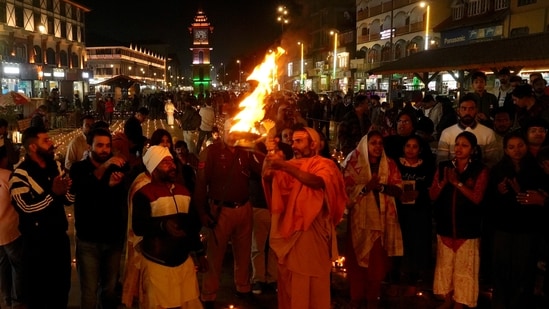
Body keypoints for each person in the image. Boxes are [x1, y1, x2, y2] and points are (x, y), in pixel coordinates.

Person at [262, 126, 347, 309]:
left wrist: (283, 165)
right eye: (292, 141)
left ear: (313, 144)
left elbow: (317, 182)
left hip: (313, 236)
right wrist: (271, 154)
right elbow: (269, 178)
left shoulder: (325, 165)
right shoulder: (290, 165)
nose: (294, 145)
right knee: (292, 288)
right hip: (292, 237)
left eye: (299, 141)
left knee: (316, 287)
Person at [194, 119, 264, 309]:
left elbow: (263, 169)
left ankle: (243, 287)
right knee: (215, 255)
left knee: (243, 252)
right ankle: (208, 294)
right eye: (230, 131)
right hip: (220, 210)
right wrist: (202, 212)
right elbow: (201, 184)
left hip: (244, 208)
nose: (234, 135)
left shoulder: (245, 151)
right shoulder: (211, 152)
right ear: (223, 132)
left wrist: (257, 144)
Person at [132, 145, 207, 309]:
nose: (172, 166)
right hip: (157, 267)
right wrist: (163, 226)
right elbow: (139, 226)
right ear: (153, 168)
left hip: (184, 265)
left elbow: (191, 227)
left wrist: (200, 253)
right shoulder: (143, 194)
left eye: (171, 162)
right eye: (165, 163)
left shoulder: (184, 192)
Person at [9, 126, 74, 308]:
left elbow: (68, 199)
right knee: (38, 294)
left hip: (59, 242)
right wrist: (53, 194)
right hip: (36, 244)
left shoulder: (56, 167)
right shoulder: (20, 175)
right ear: (33, 148)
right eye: (45, 141)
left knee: (61, 290)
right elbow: (26, 208)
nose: (51, 143)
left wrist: (71, 186)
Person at [341, 130, 404, 309]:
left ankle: (372, 298)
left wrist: (380, 187)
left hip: (382, 221)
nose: (377, 146)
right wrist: (365, 187)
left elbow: (398, 190)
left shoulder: (389, 163)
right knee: (356, 261)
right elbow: (344, 189)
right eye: (373, 143)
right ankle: (356, 296)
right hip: (359, 221)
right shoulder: (354, 162)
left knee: (376, 263)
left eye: (380, 143)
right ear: (365, 145)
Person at [69, 128, 128, 309]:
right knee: (89, 291)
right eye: (100, 145)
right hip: (89, 241)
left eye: (108, 146)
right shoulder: (79, 169)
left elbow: (123, 195)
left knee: (110, 289)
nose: (104, 150)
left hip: (113, 239)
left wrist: (115, 185)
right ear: (89, 146)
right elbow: (83, 189)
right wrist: (104, 169)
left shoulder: (118, 166)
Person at [429, 131, 489, 309]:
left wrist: (457, 183)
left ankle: (460, 303)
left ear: (473, 149)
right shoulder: (444, 167)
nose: (459, 148)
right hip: (445, 225)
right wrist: (444, 183)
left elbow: (477, 197)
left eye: (464, 145)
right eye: (457, 144)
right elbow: (432, 194)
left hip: (468, 227)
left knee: (465, 268)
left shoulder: (480, 170)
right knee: (445, 266)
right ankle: (447, 299)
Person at [488, 131, 546, 309]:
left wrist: (526, 192)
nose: (517, 150)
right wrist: (499, 191)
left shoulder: (536, 169)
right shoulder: (498, 169)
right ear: (505, 150)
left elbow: (540, 195)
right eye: (512, 147)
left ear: (526, 146)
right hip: (503, 226)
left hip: (527, 228)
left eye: (520, 145)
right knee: (501, 268)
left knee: (523, 270)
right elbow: (489, 199)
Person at [394, 134, 435, 285]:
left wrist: (419, 193)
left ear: (420, 149)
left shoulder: (427, 166)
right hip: (399, 210)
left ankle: (415, 278)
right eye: (408, 146)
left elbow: (431, 187)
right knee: (399, 241)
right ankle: (396, 275)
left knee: (418, 242)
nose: (410, 150)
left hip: (420, 210)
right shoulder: (395, 164)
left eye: (414, 146)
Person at [437, 93, 499, 168]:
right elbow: (441, 161)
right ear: (458, 110)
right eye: (464, 108)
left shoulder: (488, 133)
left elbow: (492, 162)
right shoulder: (447, 133)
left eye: (471, 109)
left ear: (476, 110)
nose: (467, 112)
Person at [0, 149, 24, 308]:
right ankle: (18, 300)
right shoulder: (9, 176)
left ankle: (5, 297)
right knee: (18, 265)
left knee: (2, 265)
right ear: (3, 159)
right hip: (10, 230)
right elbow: (19, 201)